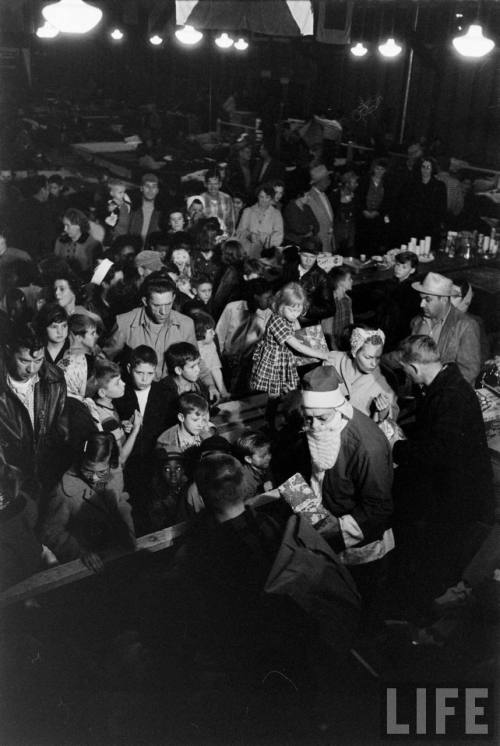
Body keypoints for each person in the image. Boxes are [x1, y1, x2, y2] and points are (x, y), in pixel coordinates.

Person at [392, 335, 494, 610]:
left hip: (460, 496)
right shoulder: (447, 384)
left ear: (413, 368)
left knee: (443, 552)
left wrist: (397, 448)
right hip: (459, 486)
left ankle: (432, 605)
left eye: (406, 372)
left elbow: (438, 452)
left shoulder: (449, 397)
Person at [297, 365, 394, 625]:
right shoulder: (318, 423)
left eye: (321, 419)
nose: (314, 426)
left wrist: (334, 529)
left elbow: (378, 509)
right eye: (308, 418)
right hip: (326, 536)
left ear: (339, 410)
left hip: (362, 550)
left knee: (361, 611)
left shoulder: (366, 446)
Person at [39, 432, 136, 573]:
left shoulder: (115, 469)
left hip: (119, 554)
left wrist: (128, 529)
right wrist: (80, 552)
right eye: (87, 470)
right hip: (91, 567)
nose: (95, 478)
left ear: (111, 461)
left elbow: (119, 499)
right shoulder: (63, 490)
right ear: (82, 459)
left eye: (101, 472)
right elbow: (50, 532)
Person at [250, 283, 337, 430]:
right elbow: (296, 344)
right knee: (275, 394)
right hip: (275, 363)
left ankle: (284, 416)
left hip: (285, 359)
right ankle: (270, 421)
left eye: (299, 310)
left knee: (287, 391)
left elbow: (299, 333)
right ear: (280, 305)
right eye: (291, 309)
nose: (295, 314)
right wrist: (321, 354)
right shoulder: (277, 321)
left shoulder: (290, 318)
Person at [0, 323, 67, 498]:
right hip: (10, 482)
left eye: (38, 361)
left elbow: (60, 431)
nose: (31, 369)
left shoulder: (55, 379)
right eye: (24, 361)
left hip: (46, 478)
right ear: (8, 352)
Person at [102, 273, 197, 380]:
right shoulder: (124, 323)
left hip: (172, 391)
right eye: (157, 305)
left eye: (168, 304)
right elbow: (105, 360)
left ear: (174, 298)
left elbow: (195, 362)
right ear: (145, 301)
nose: (163, 312)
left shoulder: (186, 324)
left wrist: (211, 384)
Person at [408, 272, 481, 385]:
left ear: (444, 300)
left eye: (427, 300)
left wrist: (437, 390)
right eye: (421, 299)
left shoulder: (466, 325)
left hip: (447, 395)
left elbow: (469, 371)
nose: (421, 304)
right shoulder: (417, 321)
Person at [327, 327, 399, 421]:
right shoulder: (334, 360)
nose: (374, 363)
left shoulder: (385, 384)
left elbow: (392, 420)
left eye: (378, 358)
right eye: (368, 357)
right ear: (355, 352)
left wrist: (384, 412)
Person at [92, 359, 143, 465]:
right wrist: (136, 429)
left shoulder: (104, 405)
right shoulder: (107, 419)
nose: (123, 384)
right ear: (102, 392)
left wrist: (121, 426)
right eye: (117, 383)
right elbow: (120, 459)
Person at [372, 251, 421, 352]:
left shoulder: (411, 290)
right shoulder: (394, 282)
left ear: (412, 270)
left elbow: (401, 320)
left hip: (397, 336)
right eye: (398, 265)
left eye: (404, 267)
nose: (398, 269)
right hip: (386, 328)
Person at [159, 341, 212, 429]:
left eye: (198, 364)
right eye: (192, 367)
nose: (198, 370)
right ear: (178, 370)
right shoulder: (163, 391)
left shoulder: (199, 387)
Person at [282, 237, 332, 327]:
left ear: (317, 256)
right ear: (299, 253)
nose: (308, 261)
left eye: (312, 257)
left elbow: (330, 309)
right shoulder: (289, 268)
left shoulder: (322, 277)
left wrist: (304, 311)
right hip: (284, 320)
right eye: (305, 256)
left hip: (307, 324)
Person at [236, 185, 284, 258]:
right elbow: (239, 232)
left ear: (271, 198)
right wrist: (249, 235)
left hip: (266, 255)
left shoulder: (276, 214)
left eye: (267, 197)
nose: (264, 200)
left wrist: (262, 238)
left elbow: (278, 236)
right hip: (246, 252)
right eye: (261, 197)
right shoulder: (248, 211)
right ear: (257, 197)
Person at [149, 447, 189, 530]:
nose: (173, 473)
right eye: (167, 469)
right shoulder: (158, 496)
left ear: (183, 470)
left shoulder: (190, 489)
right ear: (161, 472)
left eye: (177, 468)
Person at [54, 208, 101, 277]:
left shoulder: (93, 244)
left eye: (67, 225)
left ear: (78, 225)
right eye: (64, 225)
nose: (65, 229)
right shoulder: (60, 241)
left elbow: (96, 273)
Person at [194, 312, 229, 400]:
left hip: (210, 385)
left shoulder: (211, 344)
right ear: (200, 333)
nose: (214, 333)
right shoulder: (192, 348)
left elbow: (215, 369)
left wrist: (223, 392)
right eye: (210, 331)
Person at [236, 430, 274, 502]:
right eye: (262, 456)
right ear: (248, 459)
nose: (268, 457)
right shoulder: (244, 480)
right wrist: (262, 491)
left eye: (268, 452)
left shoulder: (264, 466)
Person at [321, 267, 353, 350]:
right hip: (333, 343)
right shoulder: (330, 301)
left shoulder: (348, 299)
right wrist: (333, 346)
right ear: (340, 283)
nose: (352, 281)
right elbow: (327, 329)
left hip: (344, 341)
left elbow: (351, 321)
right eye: (349, 279)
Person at [306, 165, 335, 253]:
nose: (329, 182)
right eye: (327, 179)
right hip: (317, 244)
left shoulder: (324, 195)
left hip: (327, 243)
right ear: (320, 182)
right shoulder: (309, 197)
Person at [128, 173, 162, 246]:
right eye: (147, 186)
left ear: (157, 190)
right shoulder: (132, 212)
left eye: (154, 187)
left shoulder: (161, 215)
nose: (150, 190)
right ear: (141, 188)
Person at [200, 170, 235, 236]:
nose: (213, 187)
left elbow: (231, 222)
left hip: (224, 236)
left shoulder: (227, 198)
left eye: (215, 184)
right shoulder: (200, 199)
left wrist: (228, 237)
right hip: (207, 238)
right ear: (205, 184)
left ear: (220, 184)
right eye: (210, 184)